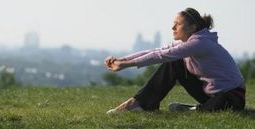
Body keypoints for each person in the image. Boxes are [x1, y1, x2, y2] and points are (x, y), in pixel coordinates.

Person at [104, 8, 245, 114]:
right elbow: (156, 51)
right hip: (210, 95)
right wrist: (121, 60)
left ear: (192, 27)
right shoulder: (190, 42)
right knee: (175, 62)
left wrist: (125, 65)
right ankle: (141, 103)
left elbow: (161, 56)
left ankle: (192, 109)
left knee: (172, 59)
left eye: (177, 24)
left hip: (231, 98)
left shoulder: (200, 43)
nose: (173, 28)